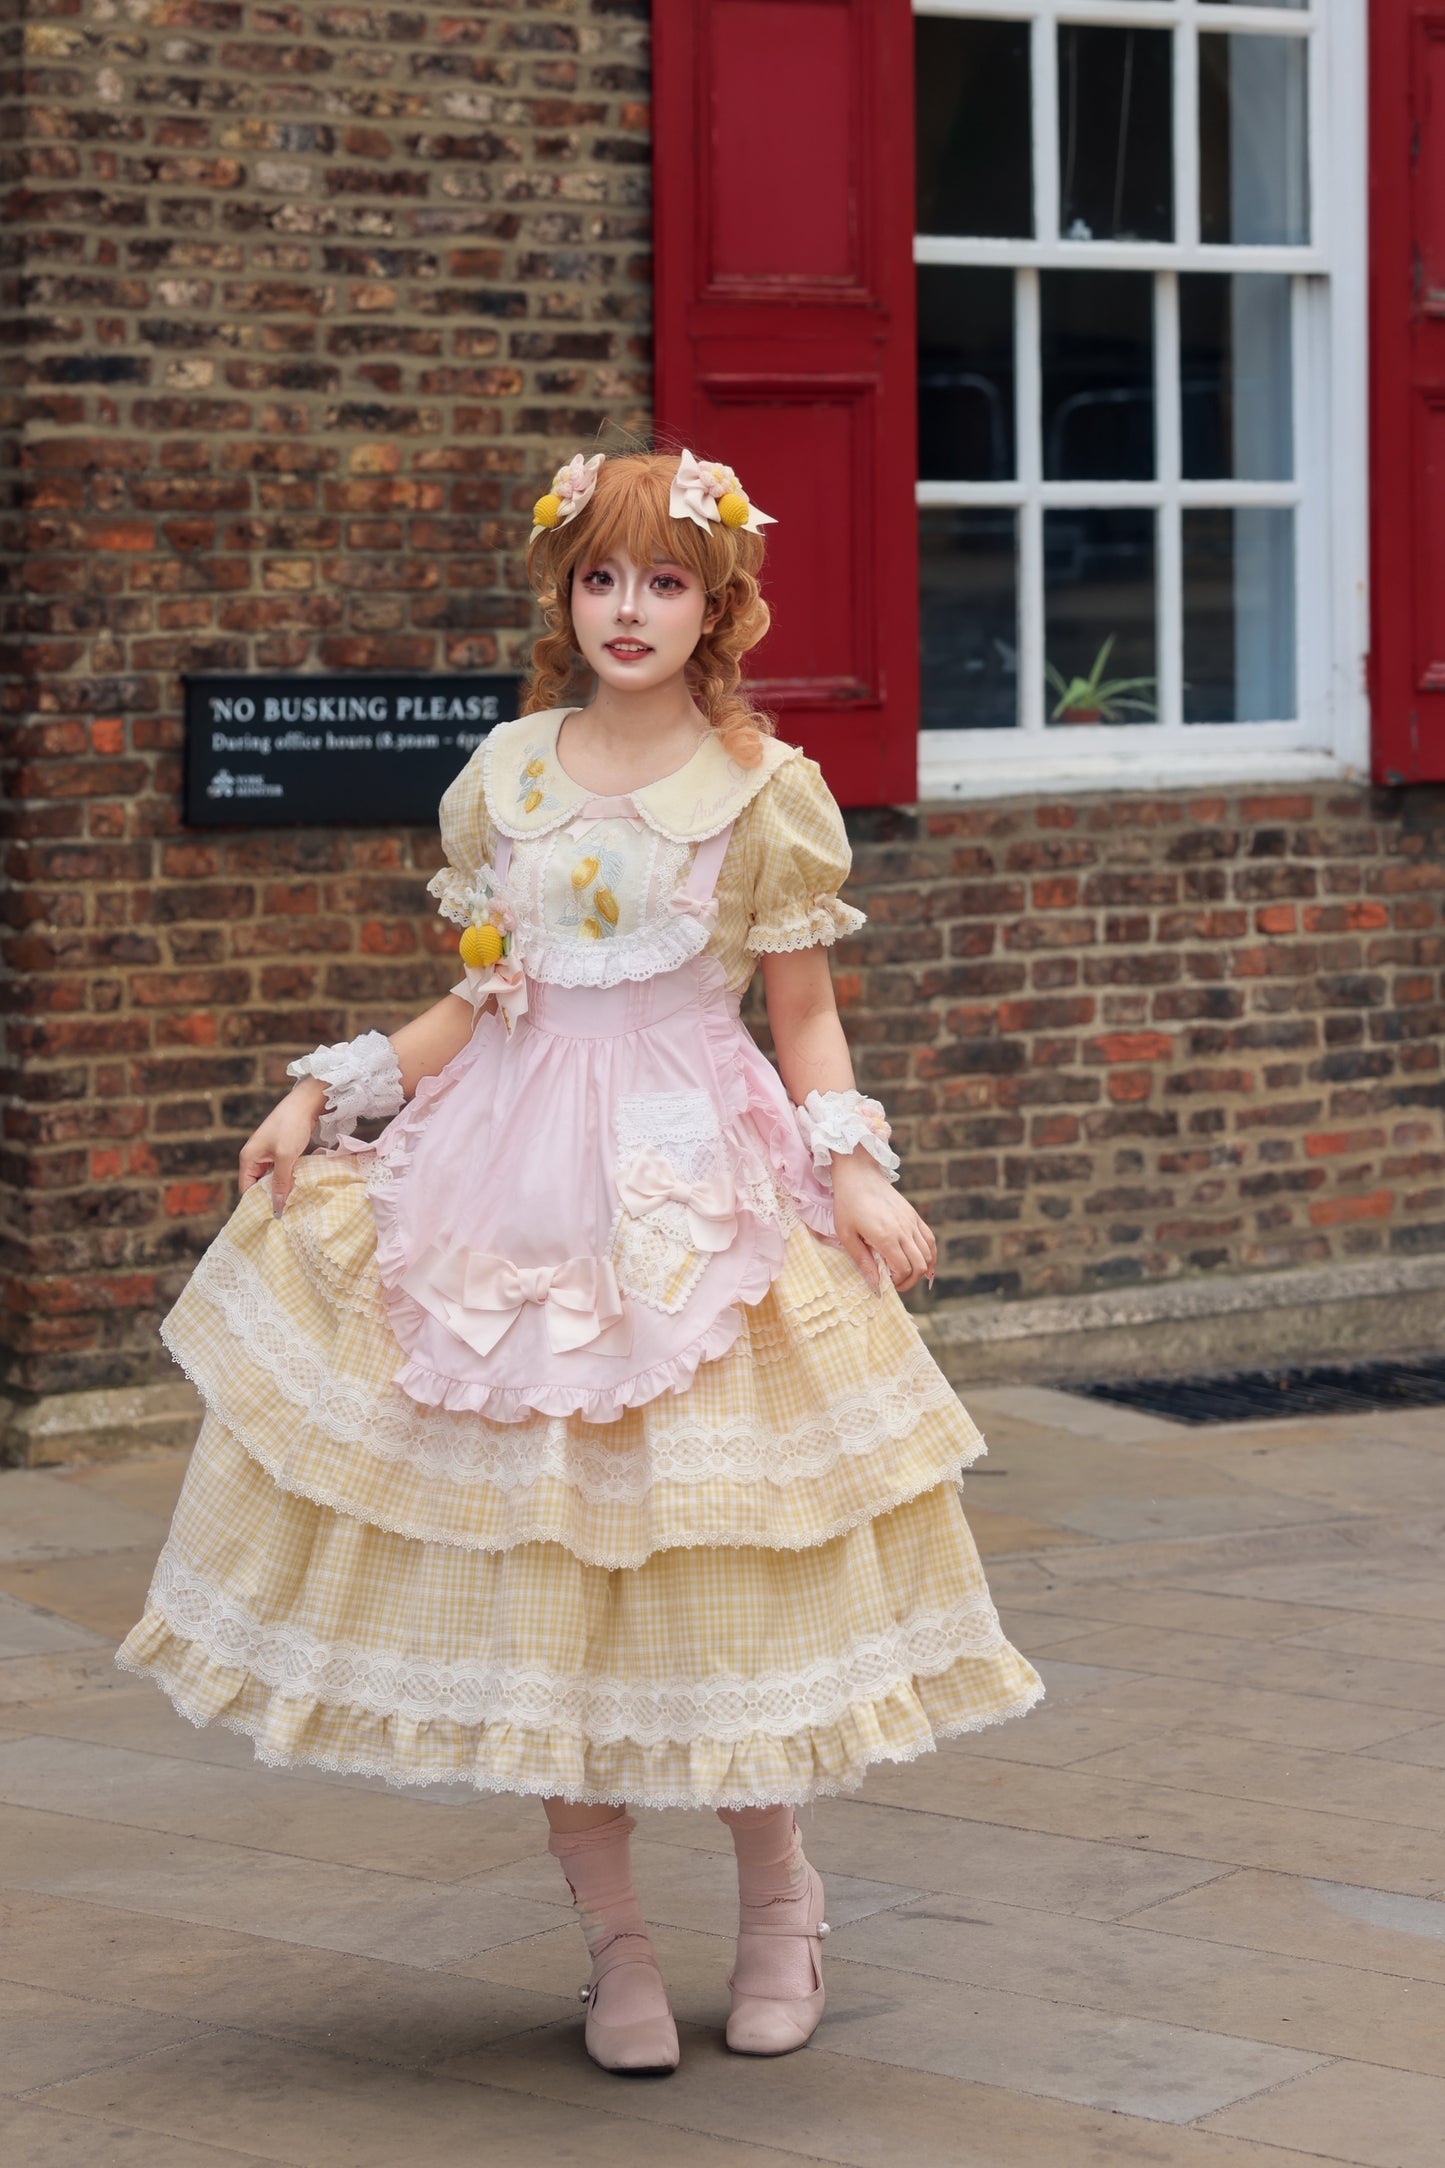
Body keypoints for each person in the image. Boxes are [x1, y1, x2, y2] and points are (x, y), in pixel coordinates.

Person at [116, 446, 1042, 2076]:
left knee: (719, 1575)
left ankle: (780, 1908)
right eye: (600, 577)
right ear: (563, 593)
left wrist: (853, 1170)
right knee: (539, 1595)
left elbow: (804, 1019)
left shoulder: (765, 792)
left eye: (664, 581)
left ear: (716, 606)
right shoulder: (506, 776)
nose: (628, 609)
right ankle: (615, 1948)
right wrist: (327, 1089)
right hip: (504, 1189)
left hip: (692, 1202)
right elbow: (483, 999)